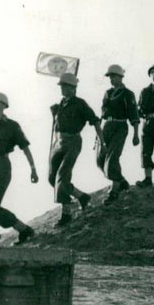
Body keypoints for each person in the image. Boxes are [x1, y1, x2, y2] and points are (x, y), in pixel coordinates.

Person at [0, 92, 39, 245]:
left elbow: (25, 147)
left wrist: (33, 168)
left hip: (2, 167)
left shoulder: (12, 126)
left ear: (4, 106)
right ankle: (23, 229)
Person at [49, 72, 103, 227]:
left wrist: (102, 140)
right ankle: (82, 197)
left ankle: (66, 213)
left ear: (73, 88)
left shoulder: (80, 104)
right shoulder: (60, 104)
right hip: (58, 142)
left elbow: (95, 121)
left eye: (65, 86)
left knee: (62, 175)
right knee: (52, 177)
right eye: (61, 86)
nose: (62, 89)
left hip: (73, 141)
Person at [98, 64, 140, 204]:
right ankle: (121, 181)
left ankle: (114, 191)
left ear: (121, 77)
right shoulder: (107, 93)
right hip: (106, 127)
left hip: (120, 126)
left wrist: (135, 134)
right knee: (100, 160)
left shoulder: (128, 94)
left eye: (114, 76)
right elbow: (103, 112)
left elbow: (133, 114)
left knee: (112, 159)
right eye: (110, 77)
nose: (111, 79)